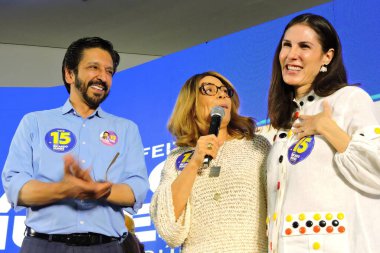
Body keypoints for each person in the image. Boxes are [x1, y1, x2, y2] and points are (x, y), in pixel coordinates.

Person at [2, 37, 149, 253]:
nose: (103, 77)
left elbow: (136, 190)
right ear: (69, 74)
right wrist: (64, 190)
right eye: (94, 67)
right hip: (44, 245)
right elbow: (17, 188)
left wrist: (99, 191)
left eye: (109, 71)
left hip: (106, 247)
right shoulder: (35, 122)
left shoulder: (126, 129)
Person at [266, 13, 380, 253]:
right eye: (287, 45)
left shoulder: (349, 99)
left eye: (304, 46)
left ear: (327, 56)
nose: (292, 55)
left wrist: (327, 129)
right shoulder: (281, 126)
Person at [150, 71, 270, 252]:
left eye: (225, 91)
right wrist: (194, 162)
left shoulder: (256, 146)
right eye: (210, 89)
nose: (222, 94)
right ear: (191, 102)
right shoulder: (176, 158)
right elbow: (169, 229)